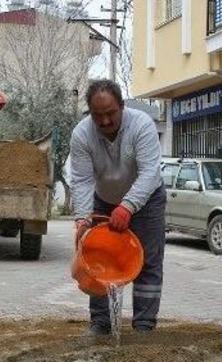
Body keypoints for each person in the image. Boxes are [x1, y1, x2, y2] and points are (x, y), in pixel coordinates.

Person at [69, 79, 166, 335]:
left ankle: (144, 326)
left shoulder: (141, 125)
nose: (104, 122)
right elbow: (81, 180)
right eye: (98, 115)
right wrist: (82, 219)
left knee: (148, 262)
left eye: (110, 113)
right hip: (104, 199)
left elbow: (149, 173)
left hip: (147, 200)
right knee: (97, 259)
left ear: (122, 106)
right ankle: (101, 324)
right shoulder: (81, 135)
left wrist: (128, 206)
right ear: (90, 112)